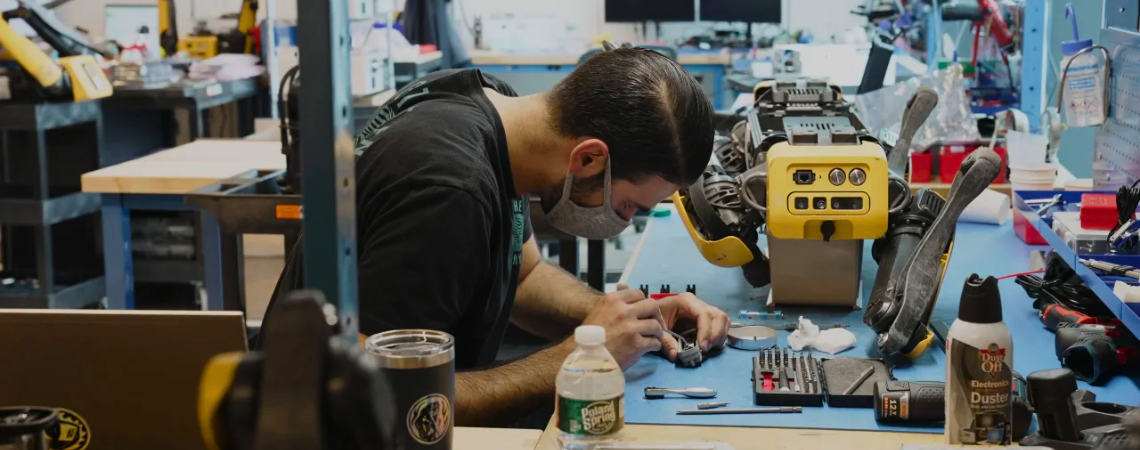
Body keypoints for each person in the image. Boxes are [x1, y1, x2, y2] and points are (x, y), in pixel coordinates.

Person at [262, 46, 729, 426]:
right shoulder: (451, 190)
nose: (624, 222)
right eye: (629, 206)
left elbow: (523, 276)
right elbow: (390, 398)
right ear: (588, 159)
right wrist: (571, 360)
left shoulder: (494, 109)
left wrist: (624, 323)